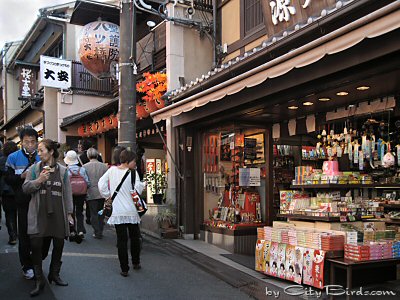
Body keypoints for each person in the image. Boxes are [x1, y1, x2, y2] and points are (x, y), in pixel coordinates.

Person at [22, 139, 73, 297]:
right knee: (36, 244)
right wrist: (39, 180)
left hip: (58, 212)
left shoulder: (63, 171)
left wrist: (69, 214)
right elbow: (25, 188)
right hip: (39, 212)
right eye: (38, 150)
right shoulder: (34, 169)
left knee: (58, 244)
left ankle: (54, 274)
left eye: (41, 150)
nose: (39, 153)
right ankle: (39, 280)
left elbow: (67, 193)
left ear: (51, 152)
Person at [98, 150, 145, 276]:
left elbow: (101, 184)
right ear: (129, 161)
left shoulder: (112, 170)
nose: (135, 164)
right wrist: (143, 184)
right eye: (134, 161)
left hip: (118, 211)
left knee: (122, 240)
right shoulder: (133, 173)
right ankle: (136, 262)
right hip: (131, 211)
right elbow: (137, 191)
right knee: (135, 238)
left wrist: (107, 196)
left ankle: (124, 268)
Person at [5, 127, 40, 280]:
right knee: (24, 235)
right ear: (21, 142)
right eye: (27, 142)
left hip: (41, 201)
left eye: (33, 141)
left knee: (40, 235)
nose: (30, 145)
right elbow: (7, 179)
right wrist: (22, 177)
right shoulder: (13, 157)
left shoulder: (42, 155)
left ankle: (37, 262)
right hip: (22, 201)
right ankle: (27, 266)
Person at [64, 150, 90, 239]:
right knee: (80, 212)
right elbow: (87, 182)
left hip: (70, 194)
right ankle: (80, 230)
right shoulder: (82, 169)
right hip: (81, 194)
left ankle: (72, 231)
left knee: (71, 212)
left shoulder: (65, 170)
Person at [83, 148, 108, 239]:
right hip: (102, 192)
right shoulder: (104, 166)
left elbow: (84, 180)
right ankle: (100, 230)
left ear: (88, 156)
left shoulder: (85, 167)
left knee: (93, 213)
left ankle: (97, 231)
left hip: (91, 192)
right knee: (101, 212)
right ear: (97, 155)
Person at [77, 140, 102, 226]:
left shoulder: (80, 158)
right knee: (99, 205)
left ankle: (89, 218)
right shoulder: (98, 157)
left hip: (86, 183)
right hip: (99, 184)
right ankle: (99, 221)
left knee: (89, 203)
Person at [0, 141, 19, 245]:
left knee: (9, 214)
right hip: (17, 189)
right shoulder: (18, 159)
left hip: (6, 190)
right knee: (19, 212)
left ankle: (13, 236)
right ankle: (20, 233)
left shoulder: (1, 160)